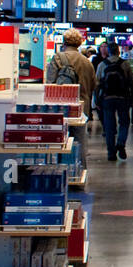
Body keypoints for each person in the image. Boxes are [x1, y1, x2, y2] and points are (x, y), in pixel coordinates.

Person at [46, 28, 97, 168]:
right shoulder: (87, 62)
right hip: (82, 107)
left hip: (61, 106)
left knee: (60, 141)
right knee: (80, 141)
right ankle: (79, 170)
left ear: (64, 42)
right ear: (79, 43)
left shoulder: (58, 58)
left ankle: (60, 172)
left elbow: (50, 84)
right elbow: (93, 85)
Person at [96, 42, 133, 160]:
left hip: (107, 99)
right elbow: (132, 83)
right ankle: (121, 143)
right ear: (118, 51)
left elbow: (97, 84)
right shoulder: (125, 64)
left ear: (108, 51)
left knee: (109, 126)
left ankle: (111, 153)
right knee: (124, 122)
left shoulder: (102, 65)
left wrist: (97, 100)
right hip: (122, 98)